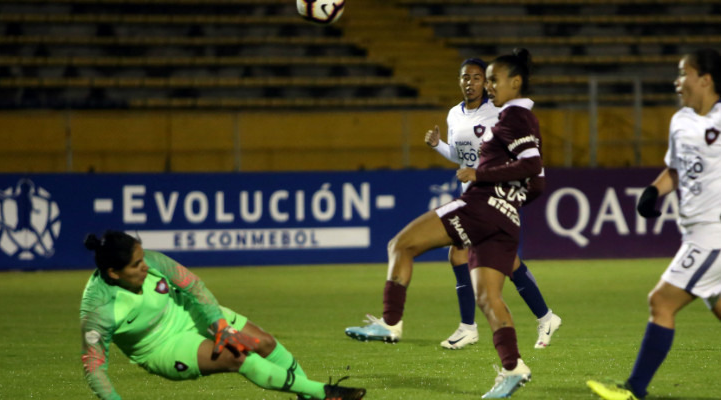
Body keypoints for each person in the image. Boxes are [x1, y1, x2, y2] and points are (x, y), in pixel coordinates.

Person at [345, 48, 542, 398]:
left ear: (515, 82)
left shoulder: (509, 117)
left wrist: (482, 177)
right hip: (505, 217)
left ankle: (390, 323)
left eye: (493, 79)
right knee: (488, 296)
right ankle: (513, 367)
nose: (488, 85)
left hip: (481, 206)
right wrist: (509, 199)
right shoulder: (520, 119)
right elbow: (536, 181)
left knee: (400, 245)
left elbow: (529, 166)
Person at [80, 230, 366, 400]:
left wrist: (219, 326)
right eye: (135, 264)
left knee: (264, 343)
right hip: (162, 346)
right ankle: (325, 393)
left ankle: (310, 395)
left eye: (142, 258)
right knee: (238, 356)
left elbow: (194, 287)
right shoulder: (98, 310)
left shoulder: (152, 261)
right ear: (114, 273)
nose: (145, 266)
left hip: (193, 312)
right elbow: (94, 366)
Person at [587, 49, 721, 400]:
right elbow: (677, 169)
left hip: (714, 233)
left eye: (683, 73)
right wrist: (654, 191)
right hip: (694, 230)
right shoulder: (680, 121)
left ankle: (634, 389)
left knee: (661, 301)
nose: (677, 82)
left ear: (705, 79)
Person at [424, 57, 561, 350]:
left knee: (458, 255)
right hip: (470, 194)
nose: (470, 83)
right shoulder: (453, 115)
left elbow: (517, 151)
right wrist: (439, 146)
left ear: (486, 84)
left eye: (476, 78)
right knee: (506, 262)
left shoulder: (497, 112)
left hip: (491, 196)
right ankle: (545, 316)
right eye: (465, 77)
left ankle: (468, 327)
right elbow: (463, 157)